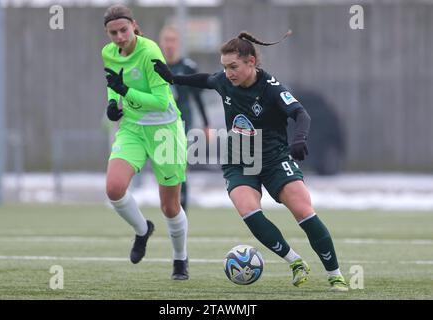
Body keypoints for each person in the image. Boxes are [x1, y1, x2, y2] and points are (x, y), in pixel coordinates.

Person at [152, 31, 348, 291]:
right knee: (249, 210)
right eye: (225, 67)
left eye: (233, 67)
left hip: (274, 158)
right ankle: (295, 262)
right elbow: (205, 80)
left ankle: (335, 274)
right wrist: (173, 77)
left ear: (251, 63)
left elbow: (301, 115)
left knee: (302, 210)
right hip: (239, 160)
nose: (228, 73)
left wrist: (299, 139)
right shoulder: (225, 81)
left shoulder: (271, 88)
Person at [101, 4, 189, 280]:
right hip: (133, 129)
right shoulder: (108, 53)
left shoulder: (150, 51)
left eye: (123, 30)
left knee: (170, 206)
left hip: (165, 130)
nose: (119, 37)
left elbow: (162, 102)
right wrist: (113, 104)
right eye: (113, 33)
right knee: (114, 188)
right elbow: (112, 84)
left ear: (134, 26)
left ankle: (180, 259)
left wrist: (125, 92)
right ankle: (142, 230)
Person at [158, 25, 211, 212]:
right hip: (158, 122)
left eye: (173, 40)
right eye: (166, 40)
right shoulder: (155, 65)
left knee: (179, 163)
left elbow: (198, 98)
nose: (169, 44)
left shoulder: (188, 67)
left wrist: (206, 124)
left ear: (178, 43)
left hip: (182, 122)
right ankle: (170, 205)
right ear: (161, 43)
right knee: (166, 166)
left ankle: (182, 207)